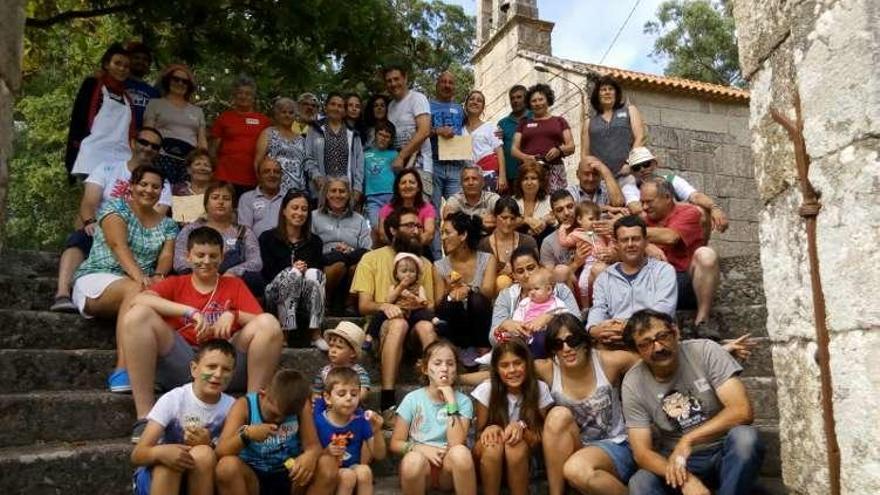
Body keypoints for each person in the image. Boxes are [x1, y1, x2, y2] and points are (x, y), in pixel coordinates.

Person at [121, 226, 283, 433]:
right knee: (138, 315)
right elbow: (138, 300)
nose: (206, 261)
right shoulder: (175, 283)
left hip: (224, 362)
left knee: (268, 323)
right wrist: (190, 312)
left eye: (213, 256)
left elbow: (266, 323)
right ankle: (145, 416)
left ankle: (251, 412)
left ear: (222, 257)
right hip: (183, 361)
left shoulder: (234, 285)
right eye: (200, 255)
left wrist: (233, 314)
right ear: (188, 256)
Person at [622, 309, 764, 495]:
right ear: (637, 351)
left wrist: (689, 439)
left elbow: (742, 411)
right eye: (645, 344)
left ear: (676, 332)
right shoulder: (633, 383)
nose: (657, 347)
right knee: (640, 482)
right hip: (678, 459)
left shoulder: (706, 351)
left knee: (746, 438)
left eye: (662, 336)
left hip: (722, 448)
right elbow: (641, 453)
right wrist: (686, 480)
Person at [71, 164, 178, 393]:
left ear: (162, 191)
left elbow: (167, 254)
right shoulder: (115, 208)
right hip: (99, 277)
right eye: (144, 184)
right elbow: (118, 246)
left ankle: (161, 370)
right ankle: (122, 369)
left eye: (155, 186)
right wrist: (142, 278)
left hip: (140, 285)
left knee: (156, 300)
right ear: (132, 186)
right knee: (137, 292)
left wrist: (159, 276)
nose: (149, 190)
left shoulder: (168, 224)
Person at [52, 127, 171, 313]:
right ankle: (62, 293)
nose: (148, 148)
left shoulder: (163, 183)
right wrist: (90, 221)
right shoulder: (107, 168)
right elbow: (90, 201)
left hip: (138, 235)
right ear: (132, 143)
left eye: (154, 146)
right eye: (144, 142)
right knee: (79, 239)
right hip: (97, 227)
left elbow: (157, 212)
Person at [350, 208, 437, 417]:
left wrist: (417, 304)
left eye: (418, 226)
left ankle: (438, 392)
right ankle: (387, 402)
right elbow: (363, 305)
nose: (416, 230)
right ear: (392, 230)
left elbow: (430, 305)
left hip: (415, 327)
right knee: (398, 323)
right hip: (385, 329)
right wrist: (385, 306)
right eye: (410, 226)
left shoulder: (423, 263)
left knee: (427, 326)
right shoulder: (371, 258)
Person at [130, 340, 236, 495]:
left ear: (232, 375)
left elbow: (230, 457)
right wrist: (161, 453)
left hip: (202, 475)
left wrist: (209, 445)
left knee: (203, 454)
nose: (218, 374)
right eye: (211, 366)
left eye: (226, 369)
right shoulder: (173, 399)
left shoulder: (232, 407)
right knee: (170, 463)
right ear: (194, 369)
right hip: (161, 477)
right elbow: (138, 454)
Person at [215, 369, 338, 495]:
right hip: (253, 475)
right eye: (275, 414)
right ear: (263, 394)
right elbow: (220, 451)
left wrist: (310, 456)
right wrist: (247, 435)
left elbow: (313, 446)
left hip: (290, 473)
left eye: (287, 416)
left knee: (328, 465)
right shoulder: (244, 406)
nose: (278, 421)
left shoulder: (302, 407)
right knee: (226, 467)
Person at [389, 340, 477, 495]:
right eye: (437, 363)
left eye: (450, 364)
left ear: (456, 369)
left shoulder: (463, 401)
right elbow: (395, 443)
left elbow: (457, 442)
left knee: (461, 453)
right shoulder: (412, 399)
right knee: (412, 460)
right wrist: (419, 448)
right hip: (421, 469)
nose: (444, 369)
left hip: (447, 469)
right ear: (425, 368)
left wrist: (451, 401)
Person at [472, 338, 553, 495]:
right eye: (504, 365)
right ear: (496, 369)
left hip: (524, 459)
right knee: (492, 444)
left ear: (527, 364)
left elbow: (540, 437)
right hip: (489, 458)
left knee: (515, 445)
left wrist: (521, 427)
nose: (512, 370)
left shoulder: (539, 389)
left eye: (517, 363)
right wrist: (491, 428)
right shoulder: (486, 390)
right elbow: (479, 435)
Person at [641, 177, 720, 336]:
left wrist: (636, 233)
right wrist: (645, 244)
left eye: (649, 202)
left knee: (706, 255)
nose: (644, 207)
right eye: (642, 202)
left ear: (668, 198)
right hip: (654, 284)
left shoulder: (689, 212)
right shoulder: (643, 220)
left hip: (684, 280)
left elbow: (671, 237)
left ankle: (703, 320)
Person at [586, 215, 678, 346]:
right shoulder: (604, 278)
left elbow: (663, 311)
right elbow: (598, 308)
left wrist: (627, 327)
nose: (630, 244)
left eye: (635, 239)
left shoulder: (664, 271)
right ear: (616, 244)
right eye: (624, 240)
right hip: (616, 341)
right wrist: (593, 329)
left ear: (646, 242)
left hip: (653, 340)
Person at [259, 192, 327, 350]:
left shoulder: (315, 241)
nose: (299, 213)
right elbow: (266, 272)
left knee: (314, 273)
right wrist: (292, 270)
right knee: (292, 274)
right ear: (284, 210)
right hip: (274, 294)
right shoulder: (268, 238)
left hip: (303, 294)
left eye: (304, 209)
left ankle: (316, 334)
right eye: (295, 208)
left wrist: (304, 271)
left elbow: (319, 271)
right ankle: (284, 335)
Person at [65, 42, 134, 179]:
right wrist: (73, 148)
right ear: (107, 64)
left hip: (121, 157)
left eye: (126, 66)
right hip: (93, 154)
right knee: (94, 197)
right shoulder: (93, 85)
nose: (122, 69)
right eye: (117, 63)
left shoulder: (127, 97)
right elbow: (79, 116)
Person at [433, 212, 496, 360]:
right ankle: (459, 350)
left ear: (463, 235)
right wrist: (450, 291)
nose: (443, 237)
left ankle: (483, 352)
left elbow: (488, 292)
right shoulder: (439, 266)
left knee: (477, 300)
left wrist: (467, 289)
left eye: (447, 233)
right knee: (449, 302)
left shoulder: (487, 259)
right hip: (455, 319)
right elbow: (437, 303)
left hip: (480, 317)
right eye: (442, 233)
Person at [629, 146, 730, 237]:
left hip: (675, 223)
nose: (642, 169)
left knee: (702, 212)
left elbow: (695, 196)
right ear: (632, 172)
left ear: (655, 164)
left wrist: (714, 208)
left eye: (646, 164)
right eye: (636, 167)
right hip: (652, 228)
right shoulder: (630, 187)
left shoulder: (671, 179)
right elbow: (638, 211)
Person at [314, 367, 386, 495]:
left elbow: (379, 455)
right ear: (327, 398)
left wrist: (377, 431)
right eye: (342, 394)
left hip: (352, 468)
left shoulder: (361, 419)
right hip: (327, 473)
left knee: (365, 471)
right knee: (347, 476)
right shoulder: (318, 421)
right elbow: (311, 454)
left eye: (354, 394)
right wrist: (327, 452)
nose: (349, 398)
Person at [490, 246, 580, 348]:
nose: (527, 275)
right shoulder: (506, 296)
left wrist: (550, 318)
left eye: (530, 268)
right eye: (520, 271)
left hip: (556, 346)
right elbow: (492, 339)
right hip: (519, 350)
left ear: (540, 267)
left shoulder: (560, 290)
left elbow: (577, 322)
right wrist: (504, 326)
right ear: (514, 275)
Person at [172, 182, 262, 282]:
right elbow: (179, 260)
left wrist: (233, 272)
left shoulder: (244, 232)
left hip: (232, 283)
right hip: (196, 281)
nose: (221, 202)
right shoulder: (190, 229)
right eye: (215, 198)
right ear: (206, 204)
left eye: (226, 198)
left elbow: (256, 262)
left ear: (233, 205)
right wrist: (204, 273)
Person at [311, 178, 372, 314]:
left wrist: (350, 250)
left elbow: (367, 248)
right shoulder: (314, 217)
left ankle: (349, 304)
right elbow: (310, 245)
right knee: (338, 262)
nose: (337, 195)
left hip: (352, 260)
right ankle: (325, 301)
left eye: (342, 191)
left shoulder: (359, 219)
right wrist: (331, 250)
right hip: (326, 261)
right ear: (326, 194)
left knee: (359, 263)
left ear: (348, 195)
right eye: (333, 191)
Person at [144, 64, 207, 185]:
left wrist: (203, 161)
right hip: (160, 158)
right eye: (176, 79)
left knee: (184, 199)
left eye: (185, 81)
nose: (180, 83)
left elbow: (202, 142)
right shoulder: (155, 104)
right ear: (168, 80)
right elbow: (148, 133)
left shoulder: (197, 111)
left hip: (188, 162)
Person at [210, 75, 271, 197]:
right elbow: (213, 150)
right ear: (234, 95)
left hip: (253, 179)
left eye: (248, 94)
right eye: (240, 93)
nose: (243, 96)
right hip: (225, 176)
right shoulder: (224, 118)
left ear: (253, 97)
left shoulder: (264, 121)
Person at [511, 83, 575, 192]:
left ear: (548, 100)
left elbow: (571, 146)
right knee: (531, 203)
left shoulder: (559, 121)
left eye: (541, 99)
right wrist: (525, 157)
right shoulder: (524, 123)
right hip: (529, 172)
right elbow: (513, 150)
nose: (537, 103)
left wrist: (559, 150)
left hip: (555, 170)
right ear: (529, 104)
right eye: (534, 101)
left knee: (556, 203)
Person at [304, 92, 366, 203]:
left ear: (344, 110)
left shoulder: (353, 133)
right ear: (326, 107)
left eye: (340, 106)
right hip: (321, 190)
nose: (336, 108)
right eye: (333, 104)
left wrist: (357, 188)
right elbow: (308, 157)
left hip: (346, 191)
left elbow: (359, 163)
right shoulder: (315, 129)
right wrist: (316, 176)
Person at [582, 76, 645, 175]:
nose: (607, 92)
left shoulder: (630, 110)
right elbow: (585, 154)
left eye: (611, 89)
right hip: (600, 178)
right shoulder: (589, 122)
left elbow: (640, 137)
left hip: (628, 174)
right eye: (603, 90)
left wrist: (629, 163)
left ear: (616, 93)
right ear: (597, 95)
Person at [558, 201, 613, 308]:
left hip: (604, 262)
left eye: (597, 219)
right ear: (579, 220)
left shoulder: (602, 232)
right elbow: (564, 242)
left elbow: (612, 241)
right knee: (583, 284)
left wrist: (609, 250)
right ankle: (585, 308)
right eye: (591, 219)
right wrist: (562, 229)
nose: (595, 222)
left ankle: (604, 306)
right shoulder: (577, 234)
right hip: (588, 265)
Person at [477, 197, 538, 292]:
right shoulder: (483, 245)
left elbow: (537, 271)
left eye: (512, 218)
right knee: (503, 281)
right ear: (495, 217)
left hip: (527, 289)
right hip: (496, 294)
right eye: (504, 217)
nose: (508, 222)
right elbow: (480, 278)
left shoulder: (528, 241)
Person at [429, 71, 467, 211]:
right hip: (434, 165)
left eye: (450, 82)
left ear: (454, 87)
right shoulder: (427, 105)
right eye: (443, 82)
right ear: (437, 85)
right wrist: (437, 131)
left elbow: (468, 129)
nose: (447, 85)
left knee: (457, 211)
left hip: (456, 166)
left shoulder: (460, 109)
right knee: (433, 213)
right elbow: (419, 132)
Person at [254, 97, 307, 194]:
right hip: (273, 189)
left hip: (298, 190)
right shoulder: (268, 133)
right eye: (284, 112)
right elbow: (258, 163)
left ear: (295, 116)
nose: (287, 115)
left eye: (291, 113)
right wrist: (263, 186)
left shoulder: (302, 136)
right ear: (277, 115)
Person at [384, 65, 432, 173]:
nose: (393, 84)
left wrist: (401, 156)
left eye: (396, 79)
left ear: (405, 78)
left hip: (419, 166)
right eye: (389, 81)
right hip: (399, 168)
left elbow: (424, 131)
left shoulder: (417, 98)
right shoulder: (390, 106)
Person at [376, 169, 436, 254]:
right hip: (392, 250)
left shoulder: (427, 208)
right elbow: (383, 235)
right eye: (403, 183)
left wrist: (411, 246)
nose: (407, 186)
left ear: (418, 187)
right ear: (397, 187)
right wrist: (399, 247)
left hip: (419, 249)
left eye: (412, 182)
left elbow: (429, 234)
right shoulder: (386, 209)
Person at [311, 321, 372, 401]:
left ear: (352, 353)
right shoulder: (324, 372)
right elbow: (316, 393)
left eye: (339, 347)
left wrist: (345, 399)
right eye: (331, 346)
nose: (333, 350)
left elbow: (363, 394)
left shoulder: (359, 372)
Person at [463, 89, 507, 192]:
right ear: (466, 104)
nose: (475, 102)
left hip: (490, 175)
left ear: (483, 108)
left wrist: (502, 176)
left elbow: (500, 153)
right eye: (472, 99)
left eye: (479, 100)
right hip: (471, 178)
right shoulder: (460, 130)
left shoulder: (490, 127)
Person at [362, 122, 398, 235]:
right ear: (375, 135)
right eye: (380, 135)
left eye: (386, 136)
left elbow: (399, 175)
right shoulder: (365, 154)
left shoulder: (394, 154)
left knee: (392, 227)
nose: (383, 138)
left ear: (391, 140)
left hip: (391, 196)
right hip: (373, 198)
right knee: (376, 227)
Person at [441, 165, 501, 233]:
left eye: (474, 179)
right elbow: (448, 221)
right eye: (466, 179)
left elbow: (506, 216)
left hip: (488, 241)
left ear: (483, 182)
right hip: (464, 241)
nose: (470, 183)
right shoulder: (454, 200)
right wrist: (479, 222)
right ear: (461, 184)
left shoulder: (492, 198)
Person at [238, 156, 286, 238]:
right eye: (266, 171)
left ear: (281, 176)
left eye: (276, 172)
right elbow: (245, 230)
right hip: (256, 247)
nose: (272, 175)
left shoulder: (288, 198)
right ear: (259, 176)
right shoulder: (247, 198)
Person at [513, 161, 555, 246]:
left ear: (541, 182)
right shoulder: (512, 201)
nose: (529, 183)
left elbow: (556, 219)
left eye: (533, 178)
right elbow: (506, 222)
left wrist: (544, 221)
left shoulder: (550, 201)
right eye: (525, 178)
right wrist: (526, 220)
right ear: (520, 182)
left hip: (544, 247)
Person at [497, 85, 532, 186]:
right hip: (511, 177)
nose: (515, 101)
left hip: (533, 174)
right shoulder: (502, 123)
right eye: (512, 98)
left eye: (519, 97)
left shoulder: (535, 117)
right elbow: (498, 150)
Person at [124, 41, 160, 130]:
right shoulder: (118, 82)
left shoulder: (153, 93)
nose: (141, 61)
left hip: (141, 139)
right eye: (136, 58)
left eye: (145, 60)